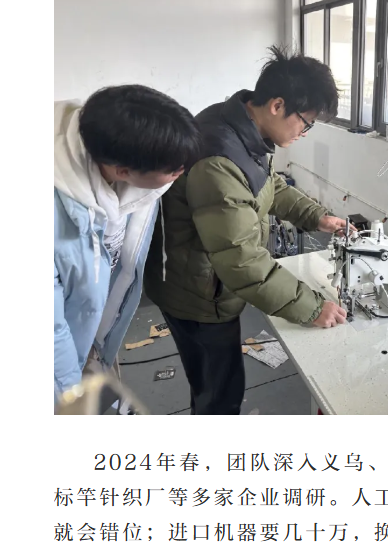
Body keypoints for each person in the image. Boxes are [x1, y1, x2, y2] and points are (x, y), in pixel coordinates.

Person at [145, 46, 348, 414]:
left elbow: (268, 185)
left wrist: (317, 217)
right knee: (219, 396)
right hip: (198, 296)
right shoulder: (219, 159)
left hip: (203, 279)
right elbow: (241, 260)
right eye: (306, 122)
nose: (305, 132)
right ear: (277, 105)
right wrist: (313, 308)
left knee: (216, 386)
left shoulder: (237, 127)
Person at [54, 84, 200, 407]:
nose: (180, 174)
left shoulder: (120, 167)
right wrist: (70, 399)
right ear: (123, 171)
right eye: (174, 170)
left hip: (91, 329)